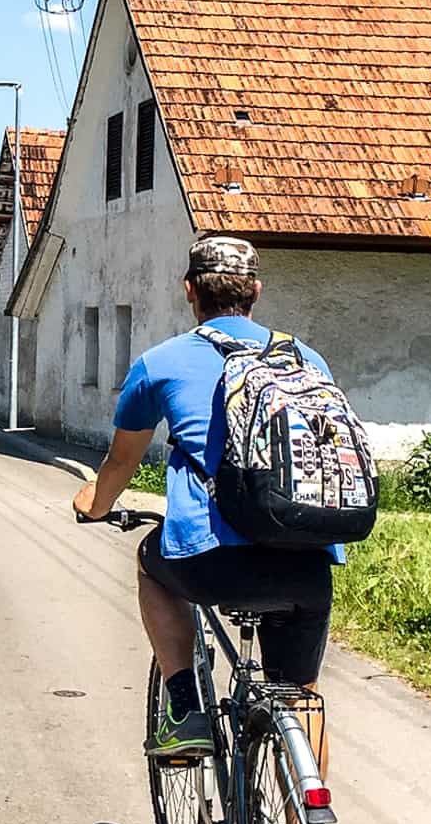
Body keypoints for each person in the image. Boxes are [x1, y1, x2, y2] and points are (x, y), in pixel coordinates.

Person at [71, 235, 339, 767]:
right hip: (306, 560)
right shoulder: (306, 359)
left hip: (211, 560)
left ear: (189, 290)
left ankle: (186, 706)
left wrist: (93, 503)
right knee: (301, 698)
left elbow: (121, 463)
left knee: (152, 563)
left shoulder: (161, 363)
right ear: (256, 292)